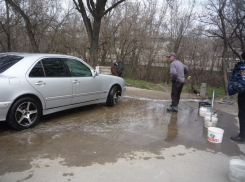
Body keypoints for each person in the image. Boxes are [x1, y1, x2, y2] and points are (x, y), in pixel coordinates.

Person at [228, 52, 245, 143]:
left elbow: (241, 82)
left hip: (243, 94)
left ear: (242, 57)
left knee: (242, 114)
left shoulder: (242, 66)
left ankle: (242, 136)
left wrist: (233, 89)